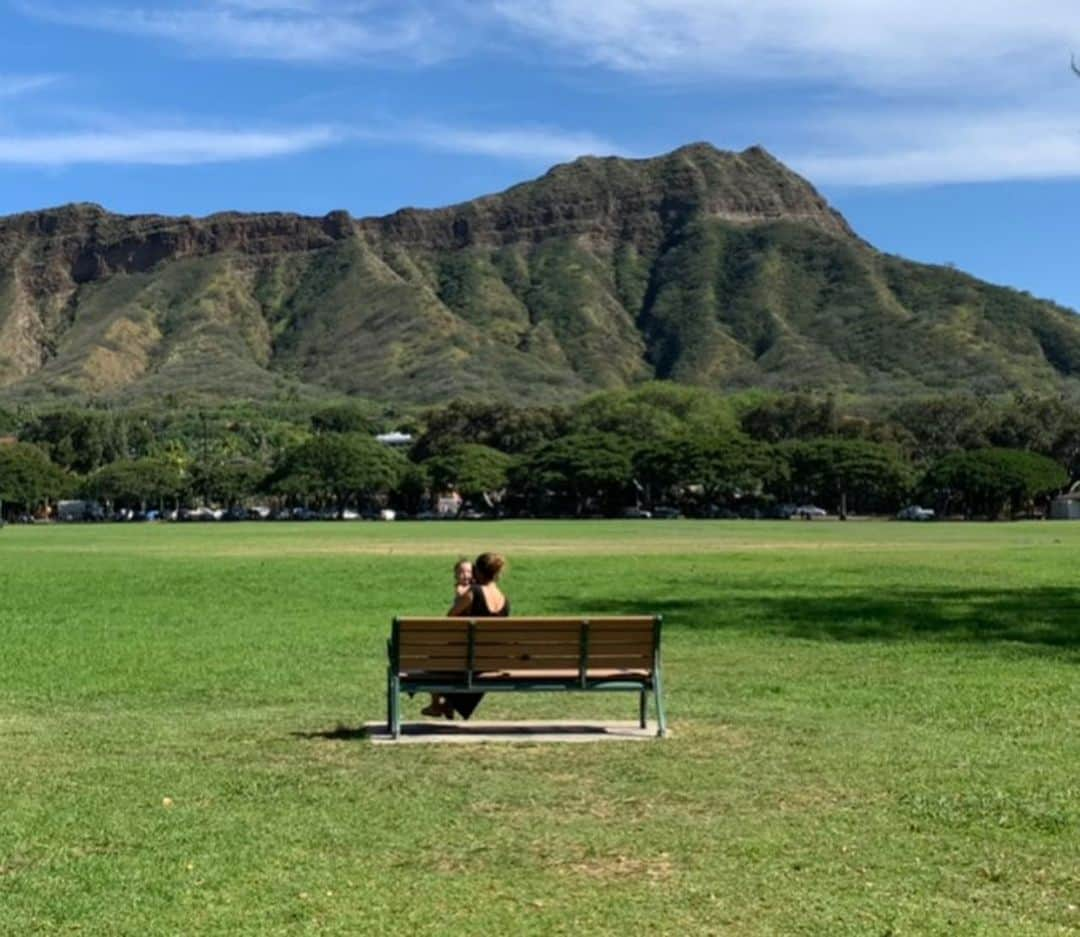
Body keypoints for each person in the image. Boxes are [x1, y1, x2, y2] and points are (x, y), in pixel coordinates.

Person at [421, 552, 510, 720]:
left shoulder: (473, 593)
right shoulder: (505, 600)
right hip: (491, 662)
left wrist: (460, 595)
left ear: (478, 571)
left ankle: (436, 704)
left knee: (432, 659)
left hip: (468, 659)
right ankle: (448, 704)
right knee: (454, 661)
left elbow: (449, 619)